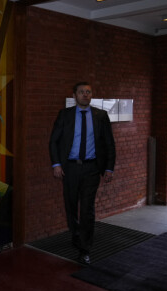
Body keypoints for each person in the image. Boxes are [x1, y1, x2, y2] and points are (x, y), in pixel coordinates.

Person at [49, 81, 116, 265]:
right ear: (74, 95)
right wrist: (56, 164)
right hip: (70, 168)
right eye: (81, 92)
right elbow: (53, 141)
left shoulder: (100, 116)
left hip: (91, 168)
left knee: (87, 209)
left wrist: (109, 168)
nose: (85, 95)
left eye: (88, 92)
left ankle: (85, 248)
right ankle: (76, 234)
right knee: (71, 206)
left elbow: (109, 143)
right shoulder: (65, 115)